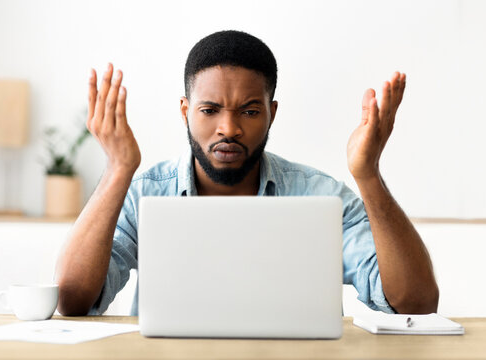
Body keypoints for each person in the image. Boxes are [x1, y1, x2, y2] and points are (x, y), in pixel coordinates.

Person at [55, 30, 439, 316]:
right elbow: (73, 299)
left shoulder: (321, 197)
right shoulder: (144, 194)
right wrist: (118, 170)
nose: (229, 128)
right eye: (209, 111)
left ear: (272, 112)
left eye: (250, 111)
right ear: (185, 110)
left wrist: (368, 175)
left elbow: (416, 303)